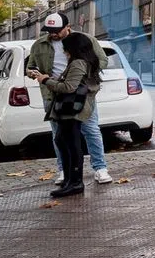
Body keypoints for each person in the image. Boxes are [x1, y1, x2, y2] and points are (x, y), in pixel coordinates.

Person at [27, 13, 112, 184]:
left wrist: (82, 75)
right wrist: (33, 73)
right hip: (53, 94)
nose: (53, 34)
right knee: (59, 135)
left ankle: (100, 168)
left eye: (57, 30)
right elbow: (30, 66)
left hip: (81, 94)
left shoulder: (84, 40)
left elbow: (102, 61)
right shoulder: (39, 45)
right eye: (50, 31)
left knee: (90, 129)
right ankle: (64, 170)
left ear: (68, 27)